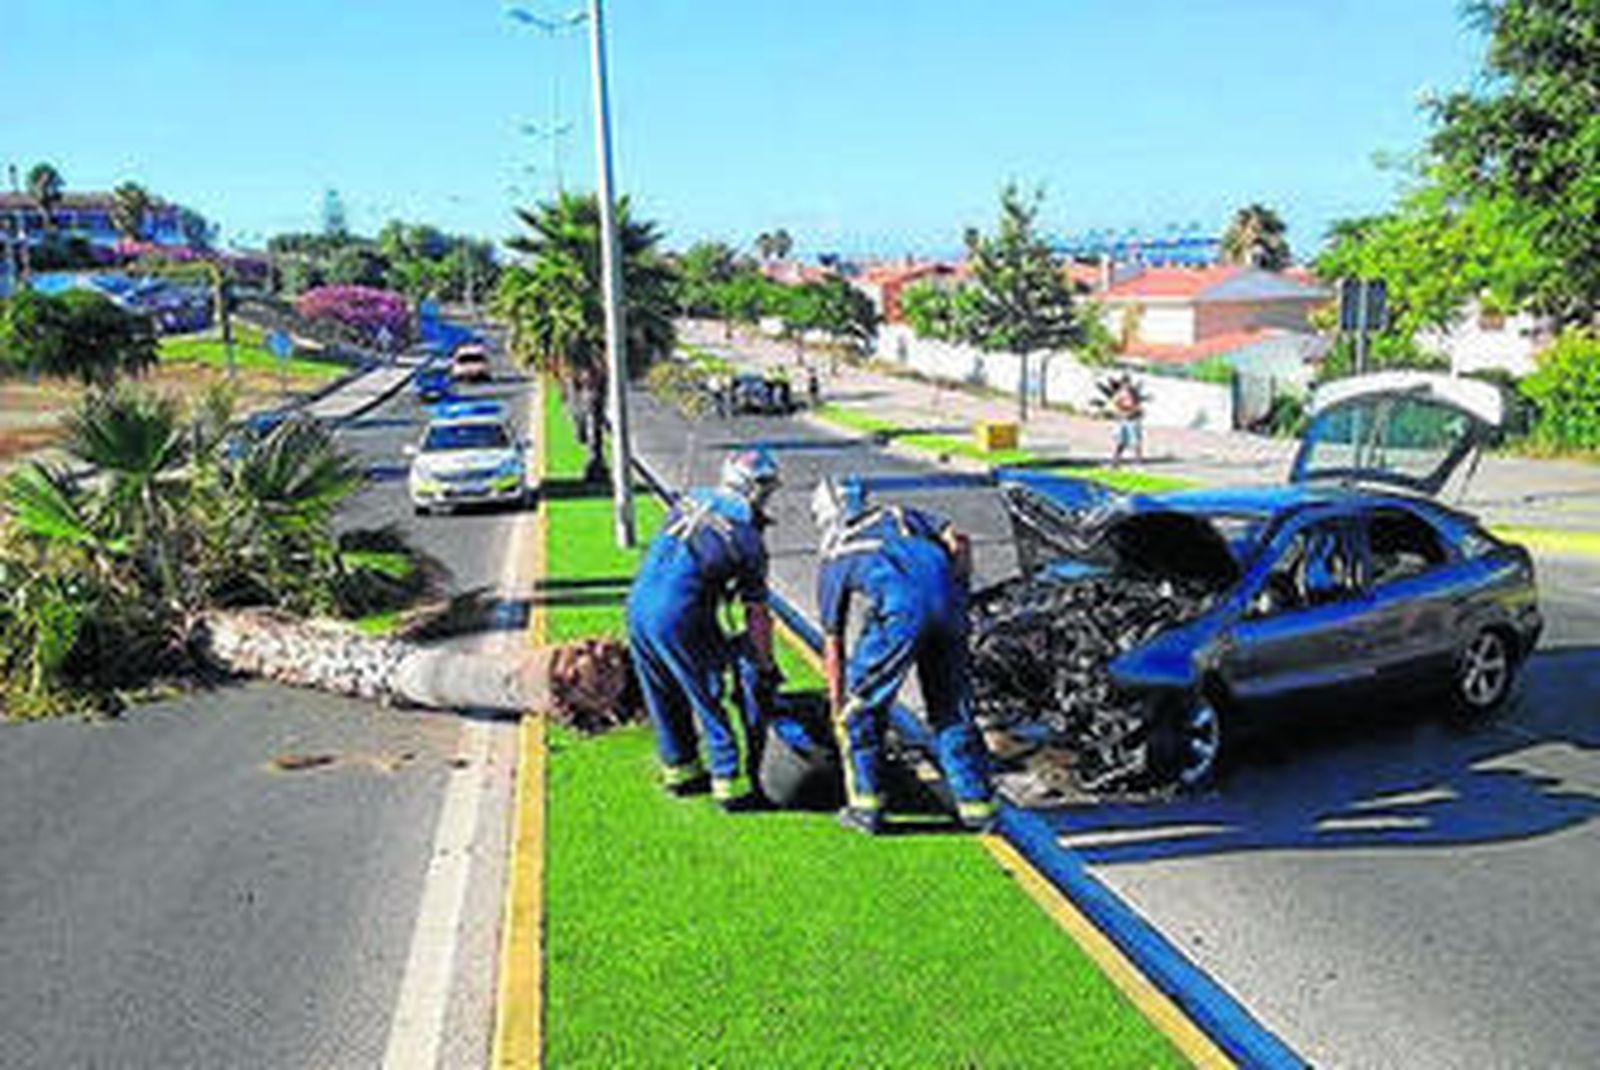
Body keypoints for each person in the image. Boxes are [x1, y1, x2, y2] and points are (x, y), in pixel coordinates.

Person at [811, 476, 996, 835]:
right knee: (951, 708)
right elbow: (959, 540)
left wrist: (838, 704)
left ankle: (866, 808)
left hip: (901, 613)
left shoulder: (835, 554)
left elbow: (833, 643)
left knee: (859, 711)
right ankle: (978, 809)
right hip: (950, 610)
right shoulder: (899, 515)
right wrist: (959, 589)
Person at [626, 448, 782, 809]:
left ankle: (680, 770)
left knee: (663, 693)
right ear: (752, 488)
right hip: (680, 615)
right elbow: (756, 615)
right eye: (766, 489)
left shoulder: (689, 499)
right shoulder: (747, 538)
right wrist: (764, 665)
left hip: (638, 606)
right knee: (708, 693)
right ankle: (730, 783)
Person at [1110, 375, 1145, 467]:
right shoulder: (1119, 394)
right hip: (1122, 420)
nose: (1126, 385)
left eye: (1128, 383)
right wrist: (1121, 413)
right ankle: (1115, 461)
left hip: (1132, 420)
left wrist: (1133, 412)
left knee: (1135, 441)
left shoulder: (1133, 393)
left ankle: (1138, 462)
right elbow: (1115, 406)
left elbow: (1138, 407)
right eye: (1124, 383)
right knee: (1120, 442)